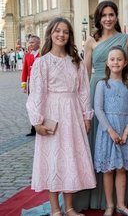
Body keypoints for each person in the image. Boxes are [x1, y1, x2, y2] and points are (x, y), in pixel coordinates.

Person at [25, 17, 96, 216]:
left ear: (69, 35)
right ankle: (56, 209)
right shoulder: (42, 62)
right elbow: (36, 92)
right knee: (54, 159)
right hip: (52, 114)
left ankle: (70, 207)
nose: (61, 35)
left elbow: (83, 91)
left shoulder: (77, 61)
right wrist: (37, 121)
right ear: (50, 33)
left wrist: (86, 116)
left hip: (72, 114)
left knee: (70, 157)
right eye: (57, 31)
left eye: (65, 31)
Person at [73, 0, 128, 211]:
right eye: (104, 15)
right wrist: (83, 106)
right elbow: (84, 73)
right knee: (95, 144)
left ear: (116, 16)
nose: (108, 19)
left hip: (121, 90)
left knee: (120, 149)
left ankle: (119, 201)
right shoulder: (91, 41)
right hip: (96, 90)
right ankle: (94, 198)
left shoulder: (126, 39)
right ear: (98, 19)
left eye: (111, 14)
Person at [94, 46, 128, 216]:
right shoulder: (102, 84)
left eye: (119, 59)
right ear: (107, 62)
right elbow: (98, 109)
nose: (116, 62)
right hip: (108, 132)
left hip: (125, 130)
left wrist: (126, 132)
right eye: (112, 59)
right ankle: (110, 205)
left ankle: (121, 204)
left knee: (121, 169)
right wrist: (111, 131)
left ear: (125, 62)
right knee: (108, 170)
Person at [21, 35, 41, 136]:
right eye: (29, 42)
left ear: (38, 43)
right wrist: (24, 84)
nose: (30, 44)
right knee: (32, 106)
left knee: (40, 105)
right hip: (30, 84)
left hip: (40, 84)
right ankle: (33, 129)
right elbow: (24, 70)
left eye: (32, 42)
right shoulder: (28, 55)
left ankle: (40, 126)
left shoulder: (42, 55)